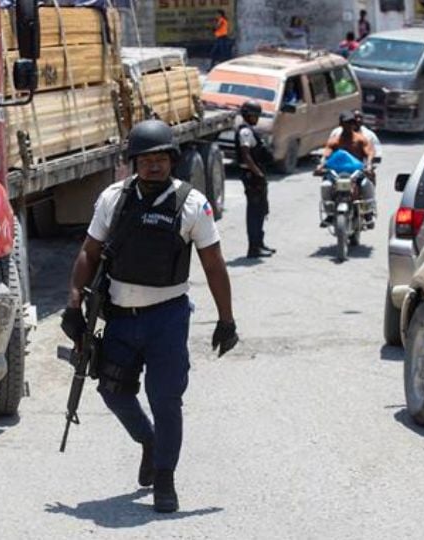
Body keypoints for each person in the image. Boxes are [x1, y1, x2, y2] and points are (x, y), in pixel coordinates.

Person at [61, 120, 239, 513]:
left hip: (167, 319)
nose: (154, 166)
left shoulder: (193, 204)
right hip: (121, 318)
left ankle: (164, 479)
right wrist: (73, 306)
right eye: (146, 160)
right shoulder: (113, 199)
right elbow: (89, 253)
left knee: (166, 399)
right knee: (111, 392)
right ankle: (148, 441)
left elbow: (213, 264)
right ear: (133, 163)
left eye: (161, 159)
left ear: (172, 161)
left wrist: (227, 320)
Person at [235, 101, 275, 259]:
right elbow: (246, 155)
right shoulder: (245, 132)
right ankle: (254, 247)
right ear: (248, 115)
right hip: (252, 177)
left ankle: (260, 243)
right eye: (255, 115)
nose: (257, 118)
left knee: (260, 210)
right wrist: (258, 173)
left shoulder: (249, 130)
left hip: (255, 176)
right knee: (255, 212)